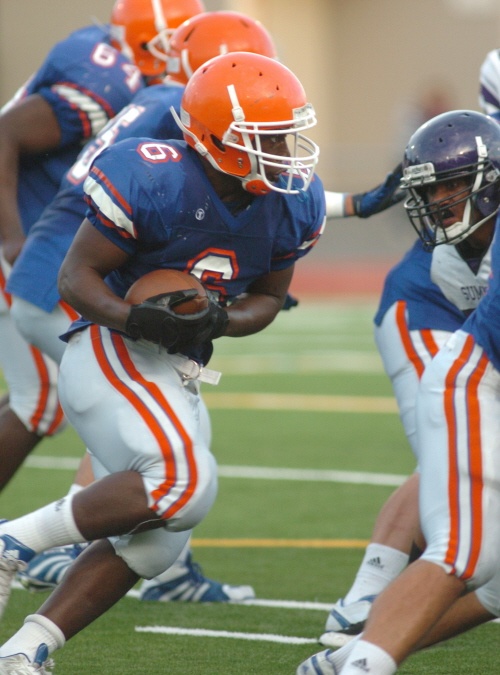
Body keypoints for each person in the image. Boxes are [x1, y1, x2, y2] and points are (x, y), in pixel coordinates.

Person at [0, 51, 325, 673]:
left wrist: (221, 320)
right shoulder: (157, 175)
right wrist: (136, 318)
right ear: (215, 140)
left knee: (154, 548)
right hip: (110, 350)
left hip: (177, 368)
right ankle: (17, 538)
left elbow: (269, 299)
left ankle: (25, 649)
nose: (285, 149)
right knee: (185, 483)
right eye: (267, 137)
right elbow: (75, 277)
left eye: (287, 133)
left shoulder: (293, 201)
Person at [308, 47, 500, 651]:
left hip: (467, 326)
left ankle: (374, 636)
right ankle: (366, 598)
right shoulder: (477, 162)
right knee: (450, 462)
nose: (439, 203)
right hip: (426, 316)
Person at [0, 0, 205, 492]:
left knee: (56, 395)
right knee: (55, 396)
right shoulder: (107, 78)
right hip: (25, 242)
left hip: (46, 239)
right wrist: (12, 237)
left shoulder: (116, 64)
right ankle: (77, 535)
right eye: (178, 43)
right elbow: (5, 132)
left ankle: (77, 533)